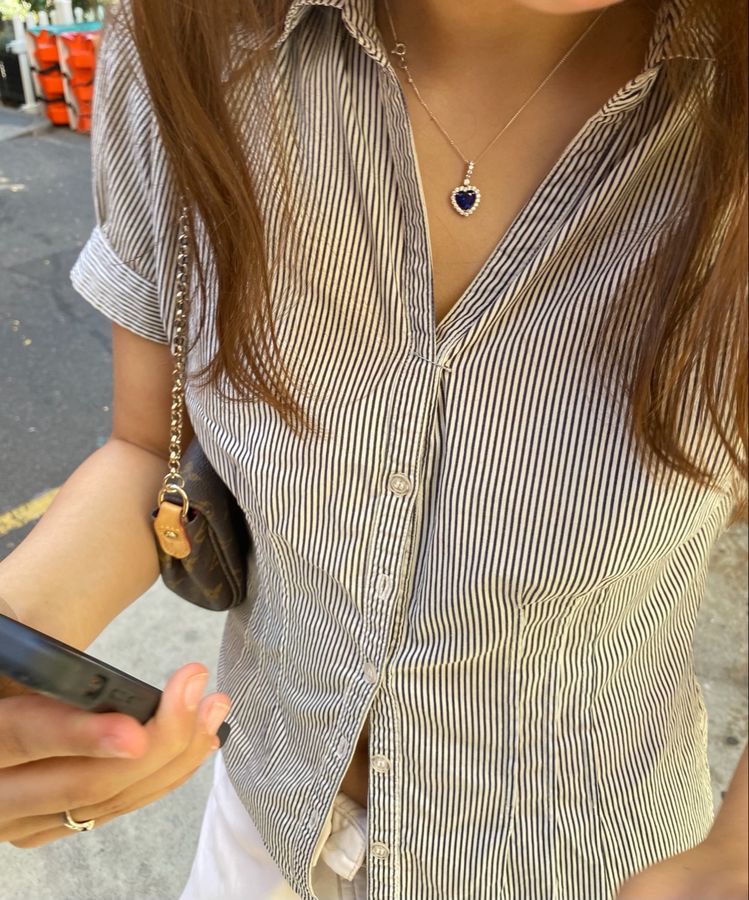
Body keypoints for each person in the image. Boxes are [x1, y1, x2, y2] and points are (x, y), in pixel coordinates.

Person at [0, 0, 747, 897]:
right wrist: (16, 637)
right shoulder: (187, 36)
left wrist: (735, 854)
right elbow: (143, 450)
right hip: (266, 817)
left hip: (591, 858)